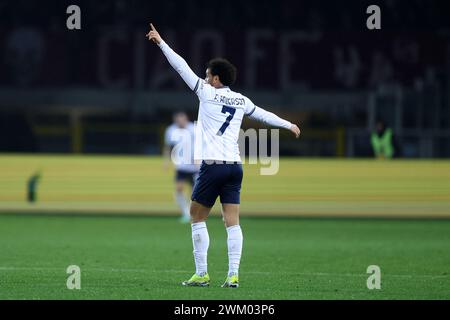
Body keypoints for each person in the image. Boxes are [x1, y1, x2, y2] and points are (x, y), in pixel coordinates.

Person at [146, 23, 300, 288]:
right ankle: (233, 275)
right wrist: (288, 125)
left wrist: (161, 43)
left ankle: (203, 273)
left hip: (213, 166)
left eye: (207, 75)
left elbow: (180, 66)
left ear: (216, 79)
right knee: (232, 222)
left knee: (196, 216)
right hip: (234, 167)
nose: (204, 78)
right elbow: (263, 114)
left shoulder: (206, 93)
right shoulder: (241, 100)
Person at [164, 111, 199, 223]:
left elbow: (202, 144)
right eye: (178, 120)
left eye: (182, 119)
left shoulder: (194, 128)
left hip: (195, 166)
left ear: (186, 119)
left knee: (195, 193)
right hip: (181, 165)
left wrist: (200, 159)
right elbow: (168, 146)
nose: (180, 122)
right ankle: (186, 213)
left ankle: (195, 214)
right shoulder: (170, 130)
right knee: (179, 189)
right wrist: (166, 161)